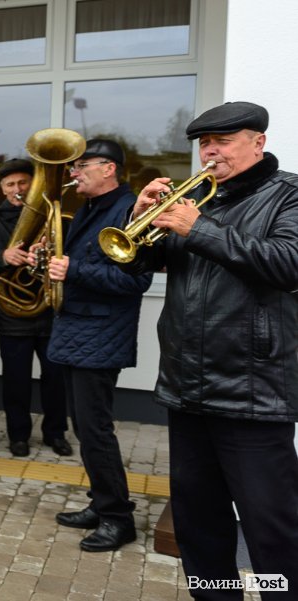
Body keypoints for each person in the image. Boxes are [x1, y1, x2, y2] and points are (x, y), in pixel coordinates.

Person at [124, 102, 298, 596]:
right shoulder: (199, 199)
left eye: (223, 141)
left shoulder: (288, 194)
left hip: (253, 391)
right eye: (204, 143)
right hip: (187, 387)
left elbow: (288, 263)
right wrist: (138, 216)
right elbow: (132, 264)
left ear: (258, 143)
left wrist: (196, 228)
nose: (210, 152)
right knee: (198, 525)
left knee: (272, 529)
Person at [41, 139, 153, 552]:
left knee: (95, 430)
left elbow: (135, 280)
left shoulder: (129, 210)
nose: (73, 173)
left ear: (109, 169)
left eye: (82, 165)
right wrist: (47, 261)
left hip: (101, 334)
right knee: (84, 429)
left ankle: (118, 518)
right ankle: (101, 502)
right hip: (78, 331)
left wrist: (72, 269)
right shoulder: (89, 208)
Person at [0, 159, 71, 458]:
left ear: (32, 184)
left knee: (56, 379)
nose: (18, 189)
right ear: (2, 189)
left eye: (24, 183)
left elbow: (71, 253)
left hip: (50, 311)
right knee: (16, 381)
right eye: (10, 184)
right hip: (13, 313)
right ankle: (18, 435)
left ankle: (56, 433)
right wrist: (3, 256)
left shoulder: (53, 216)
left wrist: (49, 252)